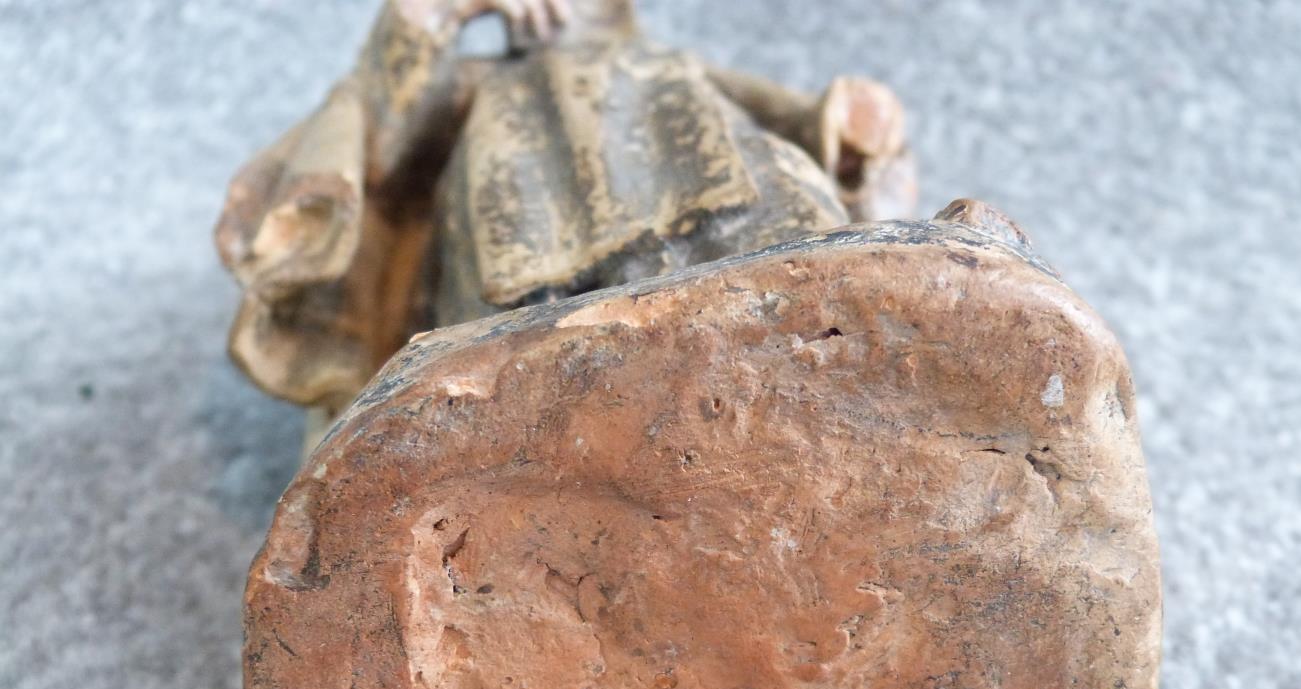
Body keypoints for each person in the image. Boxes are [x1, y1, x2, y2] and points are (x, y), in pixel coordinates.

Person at [214, 0, 916, 442]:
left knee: (802, 267)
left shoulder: (657, 60)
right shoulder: (472, 90)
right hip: (543, 253)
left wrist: (841, 127)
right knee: (530, 382)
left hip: (743, 210)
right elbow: (380, 146)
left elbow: (788, 115)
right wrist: (435, 14)